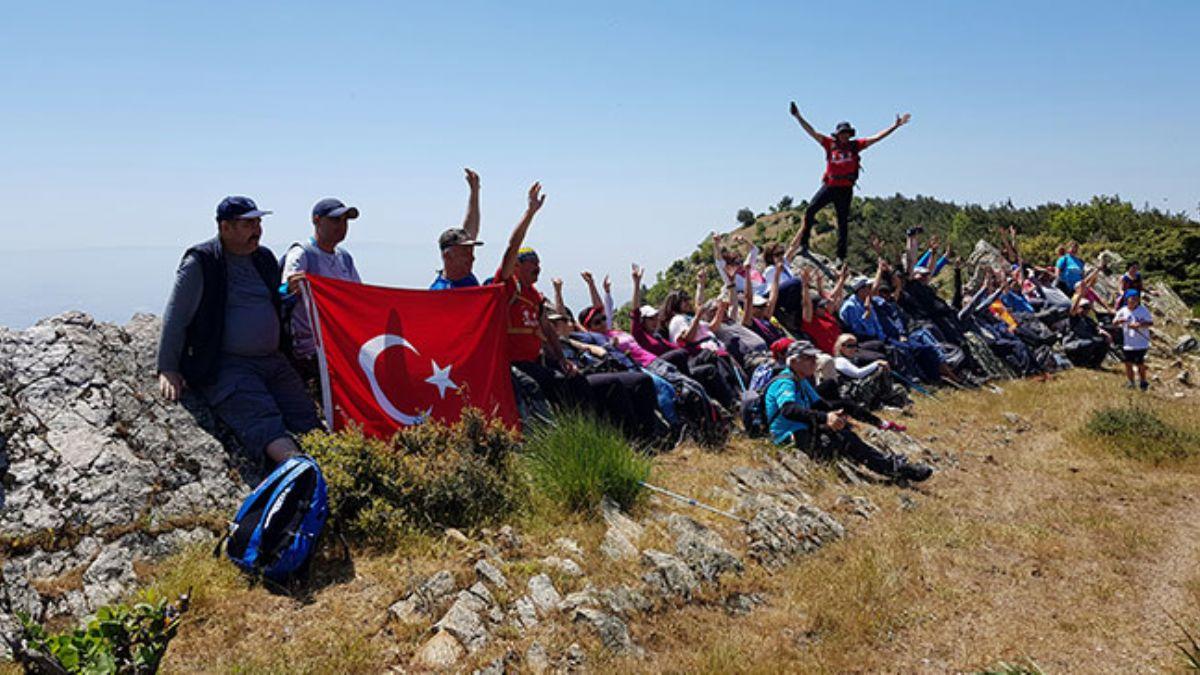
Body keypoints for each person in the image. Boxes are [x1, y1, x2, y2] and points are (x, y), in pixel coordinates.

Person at [156, 196, 321, 468]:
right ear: (225, 228)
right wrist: (168, 367)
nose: (257, 229)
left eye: (258, 222)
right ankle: (302, 473)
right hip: (229, 363)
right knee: (262, 421)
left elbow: (273, 299)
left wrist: (289, 294)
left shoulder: (263, 258)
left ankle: (328, 469)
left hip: (273, 360)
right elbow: (177, 314)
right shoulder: (203, 261)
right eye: (248, 224)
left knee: (307, 420)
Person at [763, 341, 931, 481]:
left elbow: (820, 405)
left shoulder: (801, 380)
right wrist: (825, 417)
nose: (814, 362)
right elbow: (788, 410)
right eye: (808, 359)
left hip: (803, 429)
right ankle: (894, 469)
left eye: (814, 358)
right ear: (793, 361)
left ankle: (891, 465)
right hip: (788, 436)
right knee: (843, 439)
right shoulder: (785, 382)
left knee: (844, 429)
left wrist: (839, 413)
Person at [789, 102, 912, 261]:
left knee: (842, 223)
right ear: (837, 134)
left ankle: (840, 257)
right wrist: (798, 116)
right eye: (842, 133)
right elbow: (811, 132)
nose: (845, 135)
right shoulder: (830, 144)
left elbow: (876, 138)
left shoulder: (855, 146)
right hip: (830, 186)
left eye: (847, 133)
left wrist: (894, 127)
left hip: (845, 190)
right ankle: (804, 245)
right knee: (810, 210)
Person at [280, 197, 363, 386]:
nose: (341, 226)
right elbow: (283, 291)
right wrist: (292, 287)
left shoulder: (344, 257)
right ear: (317, 220)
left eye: (345, 221)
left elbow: (357, 296)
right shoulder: (302, 253)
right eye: (335, 220)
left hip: (339, 346)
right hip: (310, 349)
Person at [430, 169, 484, 289]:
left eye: (471, 251)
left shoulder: (465, 277)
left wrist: (474, 191)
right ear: (448, 256)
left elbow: (471, 228)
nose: (472, 258)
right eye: (465, 252)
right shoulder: (441, 291)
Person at [1112, 289, 1153, 390]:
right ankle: (1131, 382)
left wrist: (1139, 325)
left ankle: (1143, 381)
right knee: (1128, 363)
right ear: (1127, 299)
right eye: (1132, 298)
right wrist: (1119, 321)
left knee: (1140, 363)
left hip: (1141, 343)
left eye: (1136, 298)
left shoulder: (1143, 310)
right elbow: (1114, 322)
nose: (1134, 300)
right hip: (1128, 342)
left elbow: (1150, 323)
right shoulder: (1123, 310)